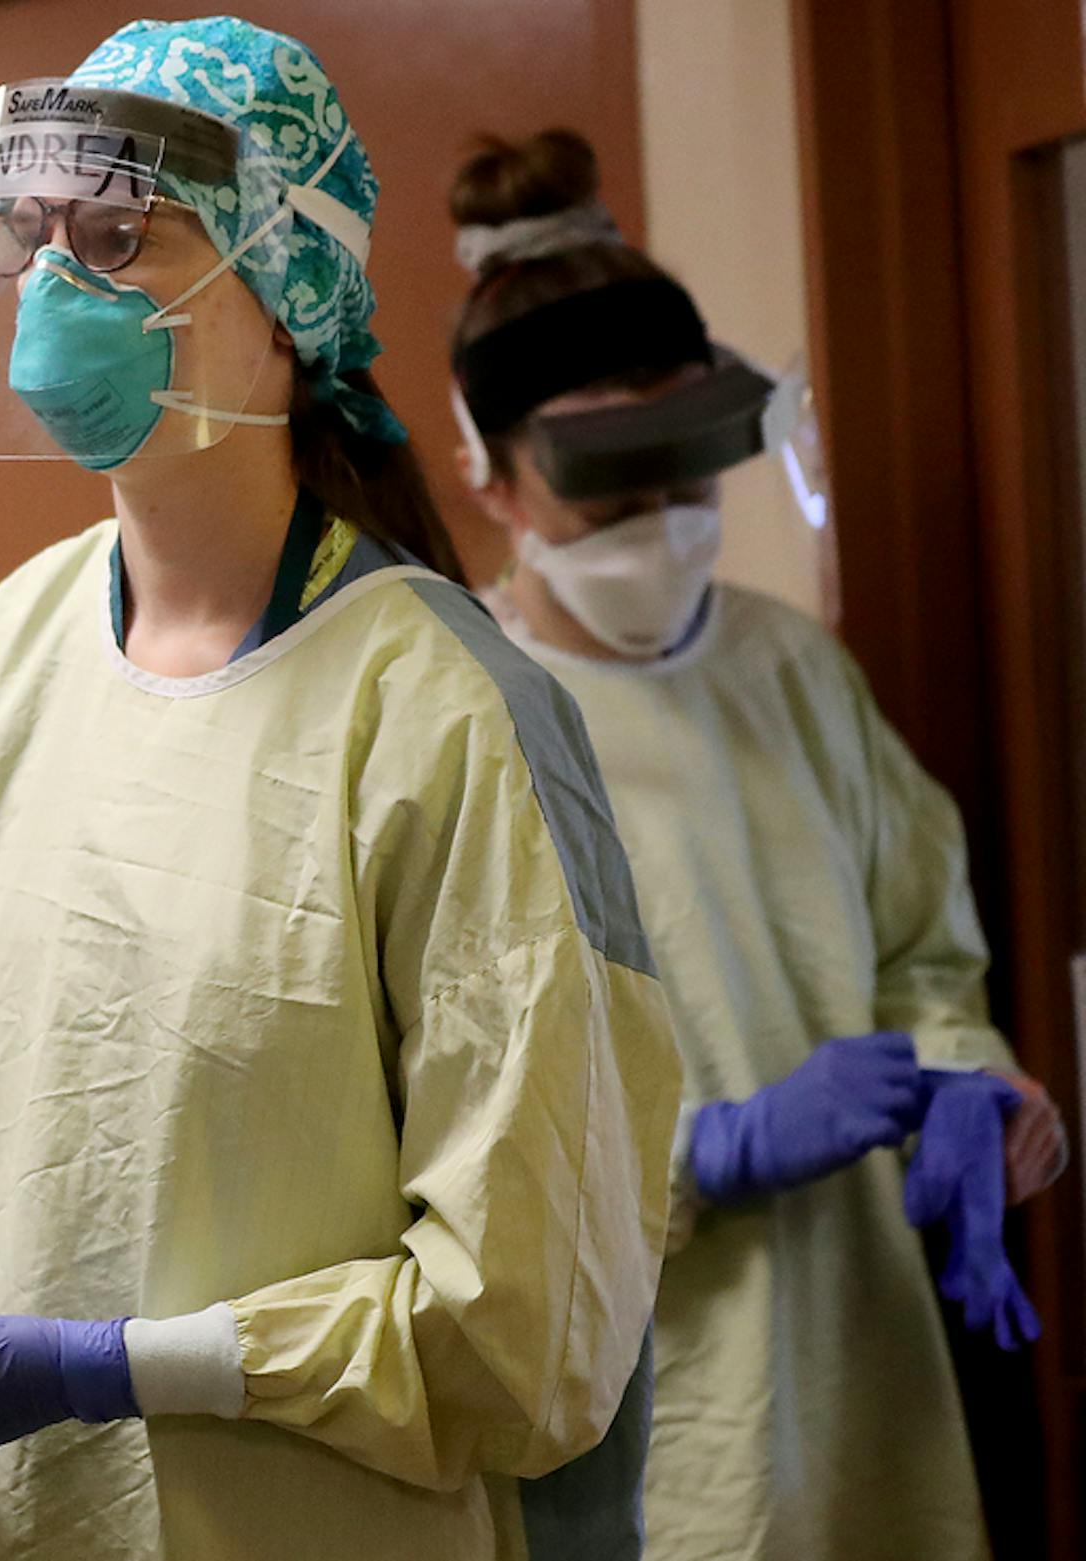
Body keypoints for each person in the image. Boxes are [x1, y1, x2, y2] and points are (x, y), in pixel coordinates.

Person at [0, 21, 682, 1559]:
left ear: (284, 299)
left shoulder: (446, 715)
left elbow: (532, 1330)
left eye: (121, 237)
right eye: (36, 235)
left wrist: (126, 1368)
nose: (56, 284)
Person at [444, 131, 1069, 1561]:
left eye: (689, 473)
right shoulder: (463, 715)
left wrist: (976, 1086)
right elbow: (439, 1128)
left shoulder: (793, 671)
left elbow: (923, 950)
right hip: (642, 1417)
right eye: (612, 484)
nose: (662, 526)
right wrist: (698, 1154)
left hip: (865, 1378)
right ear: (491, 478)